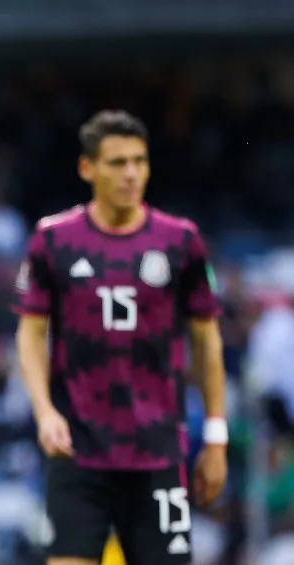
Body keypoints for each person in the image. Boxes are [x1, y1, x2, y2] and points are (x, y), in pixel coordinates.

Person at [14, 109, 229, 565]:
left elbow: (207, 342)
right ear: (87, 168)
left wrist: (215, 436)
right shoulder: (53, 240)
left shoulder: (181, 241)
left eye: (139, 161)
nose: (131, 173)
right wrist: (44, 412)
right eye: (117, 162)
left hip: (159, 452)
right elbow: (31, 334)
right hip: (77, 450)